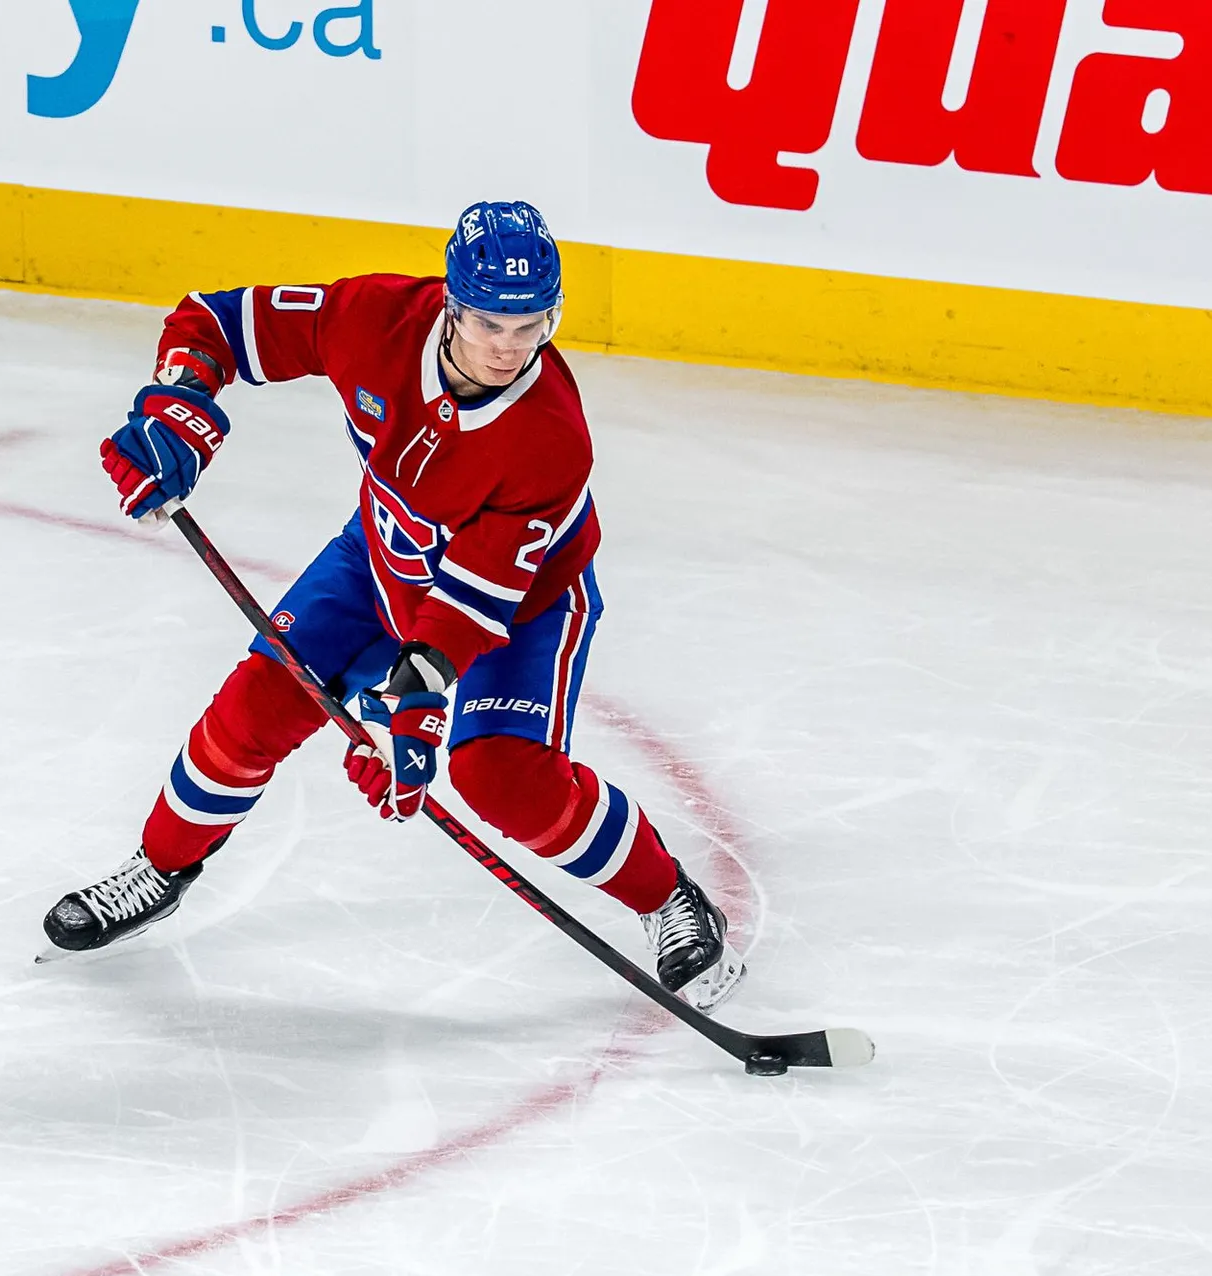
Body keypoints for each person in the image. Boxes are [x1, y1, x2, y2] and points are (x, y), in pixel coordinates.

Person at [41, 200, 745, 1011]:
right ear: (450, 303)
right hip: (380, 557)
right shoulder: (372, 317)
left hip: (522, 606)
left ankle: (667, 898)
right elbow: (217, 323)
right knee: (254, 708)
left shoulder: (550, 437)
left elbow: (465, 608)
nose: (508, 348)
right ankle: (158, 868)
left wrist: (409, 708)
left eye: (531, 326)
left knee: (500, 776)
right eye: (489, 323)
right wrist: (179, 405)